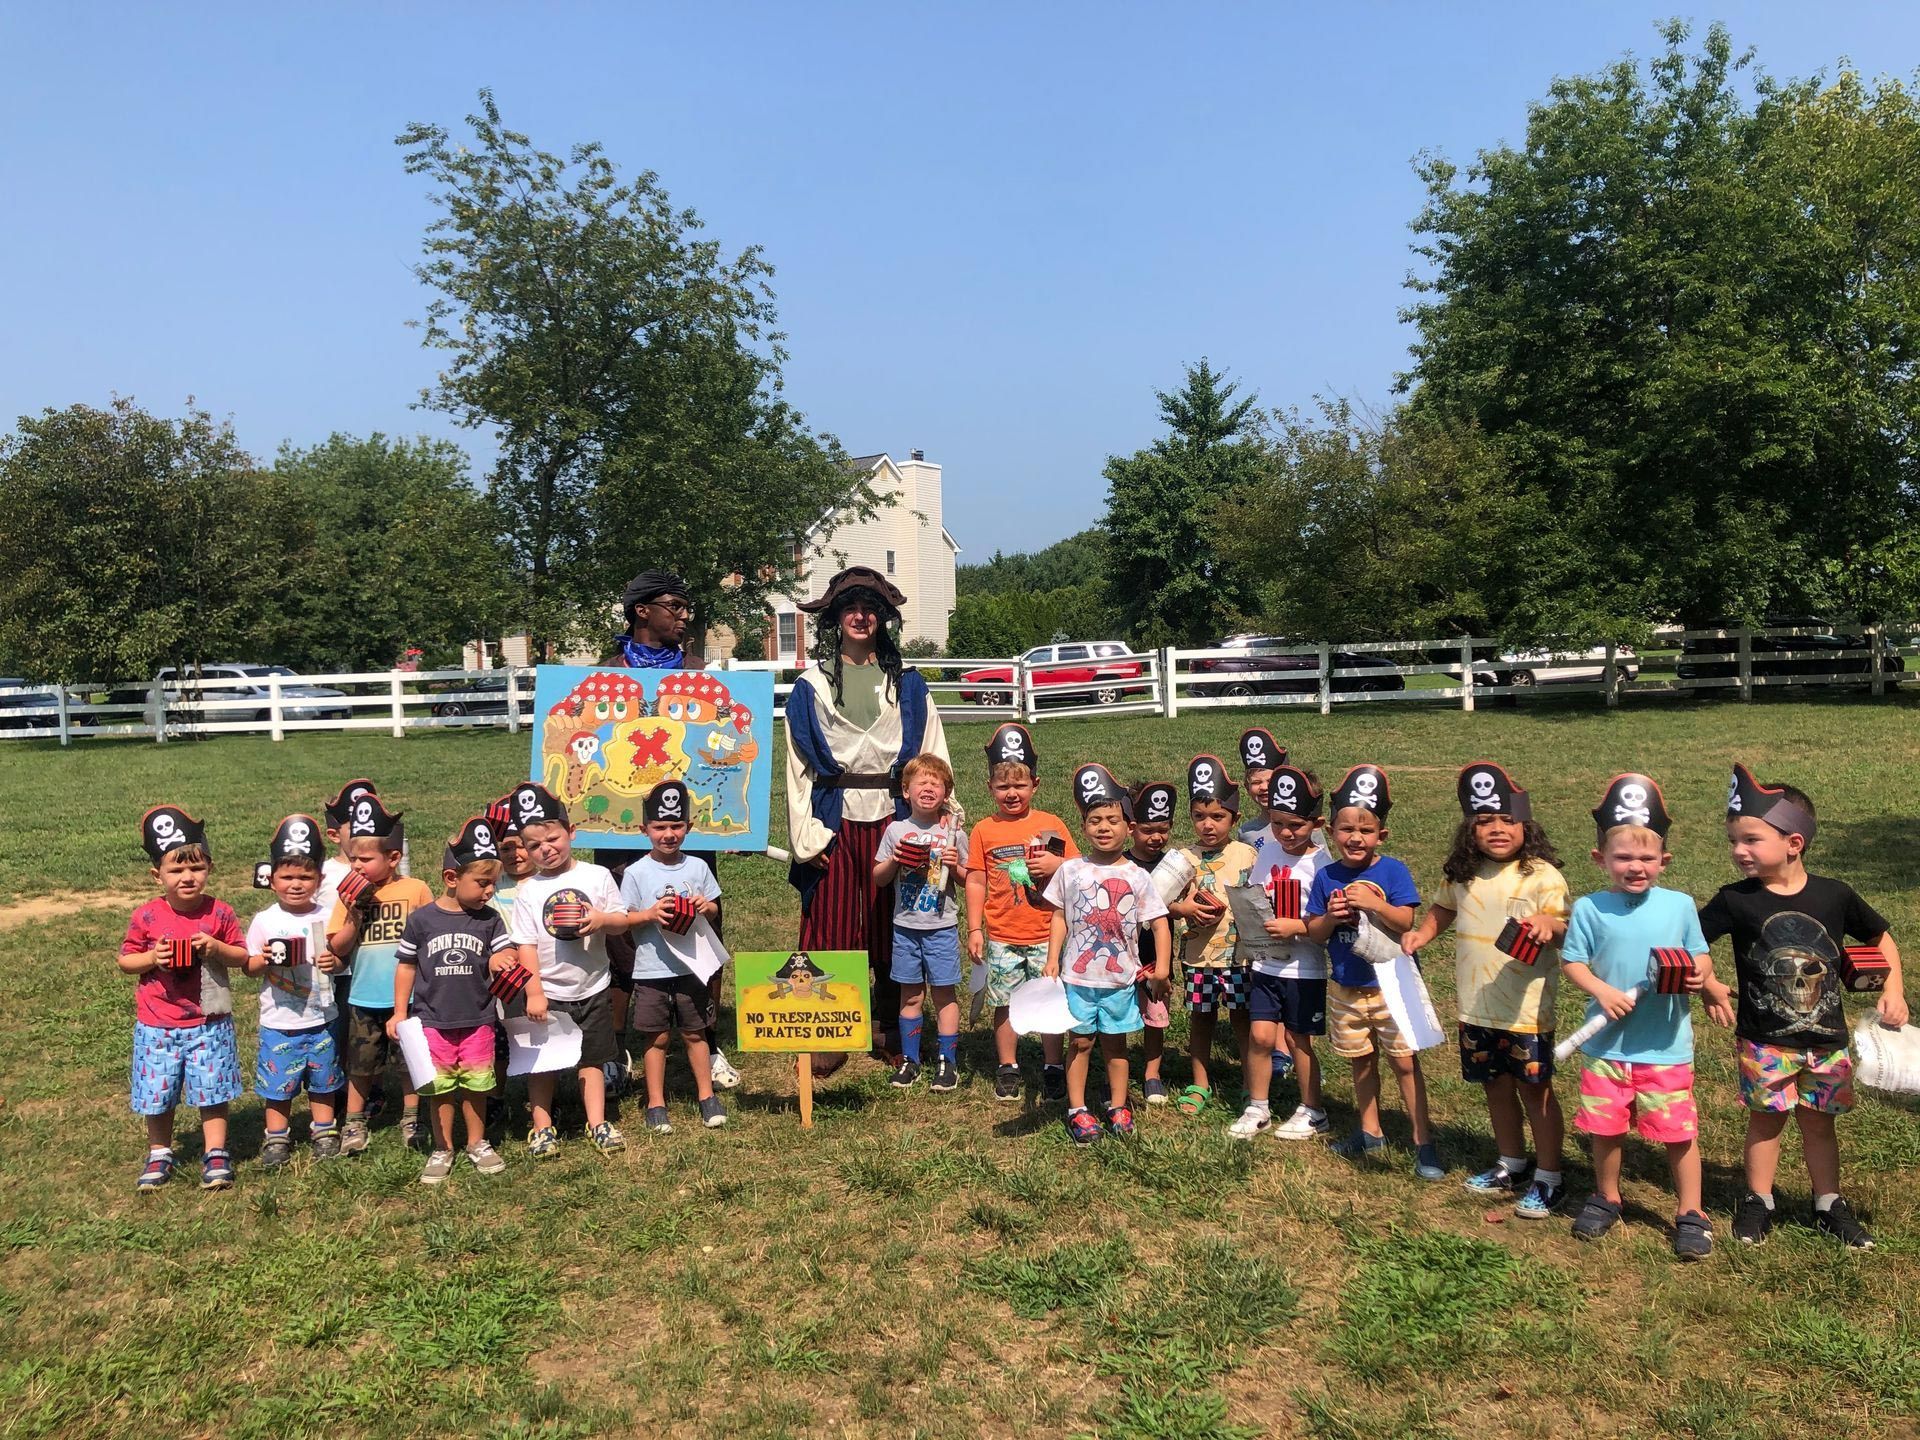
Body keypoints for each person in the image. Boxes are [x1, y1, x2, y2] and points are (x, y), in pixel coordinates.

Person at [1700, 764, 1908, 1249]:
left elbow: (1880, 936)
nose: (1738, 851)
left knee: (1819, 1124)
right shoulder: (1735, 900)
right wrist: (1707, 982)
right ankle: (1758, 1200)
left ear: (1794, 842)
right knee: (1765, 1121)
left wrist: (1893, 988)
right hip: (1764, 1040)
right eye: (1734, 840)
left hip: (1827, 1041)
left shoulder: (1834, 894)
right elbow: (1692, 939)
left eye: (1751, 839)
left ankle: (1828, 1202)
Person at [785, 566, 952, 1077]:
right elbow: (796, 768)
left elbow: (932, 754)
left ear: (882, 620)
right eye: (851, 608)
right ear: (836, 619)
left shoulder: (908, 684)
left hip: (896, 816)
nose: (861, 617)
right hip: (833, 817)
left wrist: (940, 822)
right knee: (829, 922)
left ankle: (887, 1026)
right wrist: (806, 836)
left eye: (871, 609)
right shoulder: (810, 686)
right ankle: (828, 1028)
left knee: (892, 921)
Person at [1560, 776, 1733, 1259]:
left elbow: (1698, 956)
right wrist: (1602, 990)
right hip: (1606, 1047)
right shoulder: (1590, 908)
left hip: (1665, 1046)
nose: (1635, 867)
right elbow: (1573, 961)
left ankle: (1691, 1211)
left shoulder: (1678, 905)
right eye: (1623, 858)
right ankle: (1608, 1195)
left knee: (1679, 1133)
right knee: (1605, 1128)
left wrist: (1705, 981)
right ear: (1601, 860)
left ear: (1664, 861)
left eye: (1646, 859)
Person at [1400, 763, 1571, 1217]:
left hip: (1526, 1009)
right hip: (1476, 1007)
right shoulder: (1463, 873)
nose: (1497, 830)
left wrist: (1549, 925)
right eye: (1484, 822)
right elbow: (1442, 908)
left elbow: (1567, 929)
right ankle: (1512, 1162)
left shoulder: (1543, 876)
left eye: (1507, 821)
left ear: (1526, 825)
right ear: (1469, 829)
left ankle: (1550, 1176)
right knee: (1494, 1086)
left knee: (1536, 1091)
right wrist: (1421, 935)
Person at [606, 568, 740, 1094]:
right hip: (622, 831)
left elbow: (729, 740)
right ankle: (620, 1047)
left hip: (693, 831)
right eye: (674, 606)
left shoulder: (699, 671)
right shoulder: (609, 675)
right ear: (642, 611)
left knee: (703, 929)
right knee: (623, 939)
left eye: (686, 607)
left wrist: (737, 818)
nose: (684, 615)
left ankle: (708, 1036)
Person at [1304, 765, 1443, 1180]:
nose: (1355, 837)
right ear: (1331, 832)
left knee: (1404, 1062)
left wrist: (1373, 904)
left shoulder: (1393, 871)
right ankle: (1370, 1130)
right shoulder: (1326, 875)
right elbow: (1313, 932)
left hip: (1392, 984)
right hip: (1347, 985)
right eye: (1346, 829)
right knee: (1360, 1062)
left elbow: (1404, 922)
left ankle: (1424, 1141)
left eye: (1365, 830)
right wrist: (1330, 916)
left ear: (1381, 834)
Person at [120, 806, 248, 1191]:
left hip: (209, 1021)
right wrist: (152, 958)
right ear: (156, 875)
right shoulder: (146, 916)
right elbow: (125, 960)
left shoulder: (220, 912)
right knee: (157, 1092)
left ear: (209, 867)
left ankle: (216, 1152)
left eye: (196, 868)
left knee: (214, 1089)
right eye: (176, 870)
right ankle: (159, 1152)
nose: (187, 877)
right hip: (158, 1022)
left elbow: (242, 957)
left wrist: (215, 948)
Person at [1042, 764, 1171, 1144]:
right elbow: (1059, 916)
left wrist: (1161, 968)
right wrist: (1052, 958)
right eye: (1094, 820)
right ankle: (1077, 1109)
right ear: (1083, 826)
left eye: (1112, 820)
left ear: (1128, 827)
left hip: (1119, 980)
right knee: (1079, 1042)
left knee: (1116, 1045)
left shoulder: (1138, 876)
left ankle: (1118, 1105)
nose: (1103, 827)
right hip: (1078, 980)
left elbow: (1160, 923)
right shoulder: (1070, 871)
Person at [390, 816, 515, 1184]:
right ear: (451, 878)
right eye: (481, 883)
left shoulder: (490, 920)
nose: (489, 891)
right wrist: (399, 1012)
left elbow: (500, 954)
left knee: (477, 1085)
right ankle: (442, 1147)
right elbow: (406, 967)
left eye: (493, 883)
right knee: (439, 1089)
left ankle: (477, 1142)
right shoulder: (422, 921)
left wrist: (497, 960)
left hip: (478, 1019)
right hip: (432, 1021)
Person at [505, 782, 627, 1158]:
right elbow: (525, 943)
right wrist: (534, 991)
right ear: (525, 849)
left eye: (553, 838)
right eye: (534, 845)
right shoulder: (529, 890)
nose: (546, 849)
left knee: (592, 1059)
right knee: (543, 1062)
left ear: (571, 832)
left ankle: (597, 1123)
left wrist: (602, 919)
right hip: (550, 991)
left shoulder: (596, 876)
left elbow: (621, 922)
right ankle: (542, 1127)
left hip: (592, 986)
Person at [966, 722, 1078, 1101]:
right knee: (1003, 1003)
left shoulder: (1051, 825)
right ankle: (1008, 1065)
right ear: (990, 789)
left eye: (1019, 786)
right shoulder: (983, 830)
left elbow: (1077, 870)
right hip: (1002, 934)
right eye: (1002, 787)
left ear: (1035, 785)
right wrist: (975, 928)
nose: (1011, 793)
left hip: (1047, 932)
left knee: (1049, 1002)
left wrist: (1055, 866)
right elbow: (976, 880)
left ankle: (1052, 1066)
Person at [615, 780, 728, 1134]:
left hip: (691, 965)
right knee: (657, 1037)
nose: (668, 834)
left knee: (695, 1032)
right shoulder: (634, 872)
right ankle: (656, 1102)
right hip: (651, 969)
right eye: (660, 827)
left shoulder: (696, 867)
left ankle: (707, 1096)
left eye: (676, 826)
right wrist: (648, 915)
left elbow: (712, 909)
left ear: (689, 827)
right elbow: (623, 920)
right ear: (644, 829)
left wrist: (702, 906)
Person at [328, 794, 435, 1155]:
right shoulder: (348, 895)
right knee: (361, 1065)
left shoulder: (415, 889)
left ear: (393, 858)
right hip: (363, 995)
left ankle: (412, 1116)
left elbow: (430, 936)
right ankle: (354, 1122)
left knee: (409, 1063)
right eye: (352, 858)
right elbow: (338, 948)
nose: (356, 866)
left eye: (365, 859)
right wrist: (355, 914)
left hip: (409, 997)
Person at [243, 815, 345, 1169]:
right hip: (279, 1019)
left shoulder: (329, 915)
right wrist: (264, 959)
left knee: (323, 1079)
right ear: (272, 880)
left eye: (305, 877)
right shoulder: (265, 920)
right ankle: (277, 1137)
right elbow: (248, 966)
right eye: (287, 877)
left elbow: (341, 959)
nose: (296, 884)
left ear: (318, 879)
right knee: (277, 1086)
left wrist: (334, 961)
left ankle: (324, 1130)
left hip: (322, 1015)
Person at [1237, 764, 1332, 1141]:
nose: (1286, 833)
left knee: (1297, 1040)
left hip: (1304, 969)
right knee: (1260, 1036)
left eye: (1296, 825)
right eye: (1278, 824)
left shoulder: (1322, 863)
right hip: (1265, 963)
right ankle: (1258, 1106)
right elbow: (1258, 897)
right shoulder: (1267, 853)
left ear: (1317, 822)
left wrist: (1299, 926)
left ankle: (1313, 1110)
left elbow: (1325, 924)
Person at [872, 754, 969, 1092]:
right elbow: (879, 877)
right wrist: (895, 859)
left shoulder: (954, 832)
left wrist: (956, 865)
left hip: (941, 927)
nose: (928, 787)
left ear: (946, 794)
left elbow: (967, 877)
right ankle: (910, 1060)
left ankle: (947, 1062)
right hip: (906, 927)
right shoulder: (896, 830)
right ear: (905, 791)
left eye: (936, 783)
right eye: (921, 783)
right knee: (910, 995)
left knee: (944, 994)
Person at [1168, 755, 1257, 1120]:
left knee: (1242, 1019)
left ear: (1234, 819)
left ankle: (1253, 1084)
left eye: (1217, 817)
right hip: (1198, 956)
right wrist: (1184, 909)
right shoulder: (1182, 858)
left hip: (1239, 957)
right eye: (1200, 817)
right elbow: (1160, 901)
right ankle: (1200, 1082)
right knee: (1201, 1019)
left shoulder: (1247, 854)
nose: (1208, 825)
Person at [1126, 780, 1178, 1104]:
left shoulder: (1172, 864)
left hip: (1157, 955)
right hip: (1125, 955)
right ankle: (1113, 1066)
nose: (1156, 837)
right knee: (1118, 1014)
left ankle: (1152, 1073)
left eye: (1163, 828)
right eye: (1147, 829)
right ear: (1132, 828)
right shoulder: (1122, 863)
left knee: (1155, 1016)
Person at [1236, 728, 1285, 844]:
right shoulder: (1246, 832)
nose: (1264, 787)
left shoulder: (1303, 825)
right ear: (1247, 788)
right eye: (1256, 782)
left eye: (1270, 781)